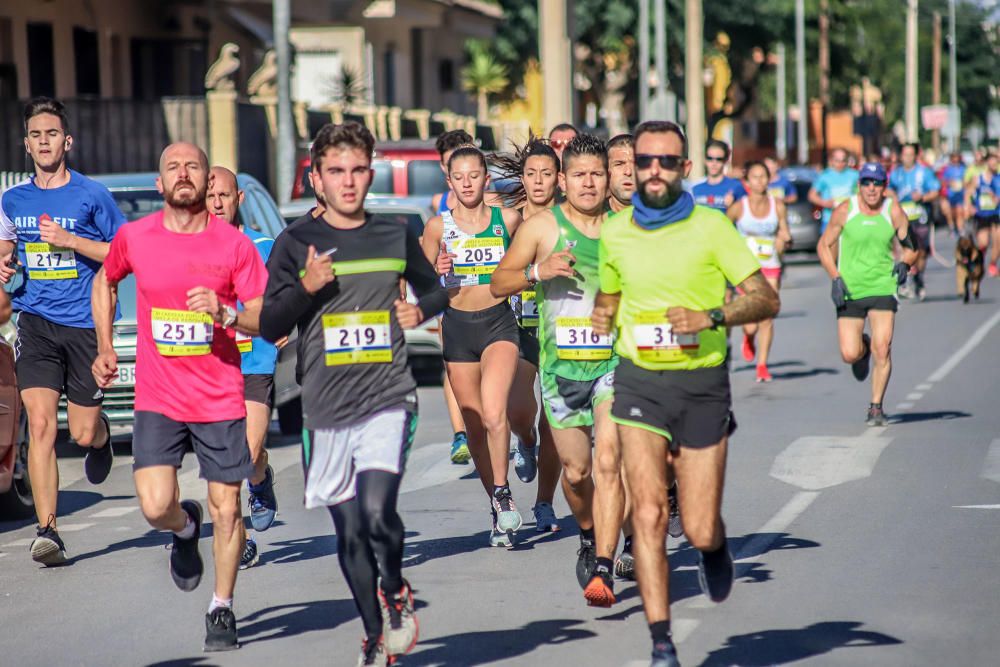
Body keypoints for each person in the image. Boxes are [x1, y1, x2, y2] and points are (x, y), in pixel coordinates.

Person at [592, 120, 780, 667]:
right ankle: (661, 642)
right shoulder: (617, 231)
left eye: (666, 162)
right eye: (644, 160)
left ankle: (714, 546)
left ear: (685, 169)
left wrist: (712, 315)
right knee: (648, 514)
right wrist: (596, 325)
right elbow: (609, 295)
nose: (653, 171)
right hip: (638, 382)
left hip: (701, 384)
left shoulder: (713, 227)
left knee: (696, 524)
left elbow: (764, 299)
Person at [259, 122, 447, 666]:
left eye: (358, 170)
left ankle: (394, 586)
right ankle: (374, 632)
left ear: (370, 171)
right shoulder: (295, 243)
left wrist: (422, 308)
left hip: (387, 396)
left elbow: (437, 286)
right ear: (316, 178)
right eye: (335, 171)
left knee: (378, 514)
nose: (348, 181)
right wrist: (307, 287)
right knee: (348, 536)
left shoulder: (392, 234)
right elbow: (270, 322)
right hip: (324, 408)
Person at [91, 142, 267, 651]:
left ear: (209, 179)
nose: (183, 174)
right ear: (160, 183)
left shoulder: (233, 246)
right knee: (154, 506)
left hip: (219, 394)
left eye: (193, 166)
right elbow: (105, 280)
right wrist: (104, 344)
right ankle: (185, 526)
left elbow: (263, 314)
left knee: (229, 509)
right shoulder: (136, 237)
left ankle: (222, 607)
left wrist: (227, 312)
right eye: (173, 167)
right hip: (159, 396)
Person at [493, 134, 628, 607]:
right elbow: (498, 282)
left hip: (613, 365)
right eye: (579, 175)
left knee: (610, 462)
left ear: (607, 178)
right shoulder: (541, 228)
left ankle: (606, 564)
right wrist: (538, 271)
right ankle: (590, 535)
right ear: (564, 181)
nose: (589, 183)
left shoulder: (624, 228)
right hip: (559, 370)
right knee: (576, 472)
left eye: (597, 173)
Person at [0, 97, 124, 565]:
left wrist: (71, 241)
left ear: (66, 141)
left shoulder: (93, 196)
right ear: (26, 144)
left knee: (83, 431)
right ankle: (47, 530)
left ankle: (102, 435)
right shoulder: (13, 199)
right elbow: (5, 248)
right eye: (36, 135)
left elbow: (121, 254)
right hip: (35, 322)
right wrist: (4, 263)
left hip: (84, 323)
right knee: (44, 426)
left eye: (52, 133)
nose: (44, 142)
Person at [421, 146, 525, 547]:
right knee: (477, 426)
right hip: (458, 330)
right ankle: (498, 508)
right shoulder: (437, 227)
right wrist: (437, 272)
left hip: (499, 324)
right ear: (449, 182)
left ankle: (502, 489)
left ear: (486, 179)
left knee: (496, 414)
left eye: (474, 176)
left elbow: (531, 256)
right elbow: (418, 286)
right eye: (458, 177)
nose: (467, 184)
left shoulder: (508, 220)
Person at [206, 167, 280, 570]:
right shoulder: (190, 249)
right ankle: (242, 538)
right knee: (224, 459)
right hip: (210, 366)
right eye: (210, 195)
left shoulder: (263, 246)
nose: (217, 203)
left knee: (249, 453)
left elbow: (283, 297)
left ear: (239, 199)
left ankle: (260, 477)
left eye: (224, 195)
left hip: (255, 361)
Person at [490, 136, 565, 533]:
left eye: (546, 174)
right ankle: (527, 441)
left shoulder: (567, 220)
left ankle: (545, 502)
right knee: (520, 411)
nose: (538, 181)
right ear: (522, 176)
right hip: (516, 327)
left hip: (559, 331)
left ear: (559, 179)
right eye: (531, 173)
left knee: (555, 420)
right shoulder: (508, 220)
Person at [816, 162, 917, 427]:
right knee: (849, 353)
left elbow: (911, 247)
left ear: (885, 187)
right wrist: (835, 278)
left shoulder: (892, 211)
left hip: (883, 287)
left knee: (882, 348)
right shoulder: (844, 210)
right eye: (866, 183)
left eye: (877, 183)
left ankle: (876, 407)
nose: (871, 189)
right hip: (850, 288)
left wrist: (905, 262)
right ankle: (862, 349)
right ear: (859, 185)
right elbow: (824, 246)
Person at [430, 129, 476, 464]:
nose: (458, 175)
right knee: (453, 364)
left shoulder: (493, 206)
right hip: (451, 300)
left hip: (491, 302)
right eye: (450, 168)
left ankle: (488, 424)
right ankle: (460, 433)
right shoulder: (437, 206)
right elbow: (426, 255)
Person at [727, 161, 792, 382]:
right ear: (747, 181)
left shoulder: (778, 205)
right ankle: (748, 337)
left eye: (763, 176)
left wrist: (785, 239)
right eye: (754, 177)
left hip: (771, 265)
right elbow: (724, 231)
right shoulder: (739, 206)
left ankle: (762, 365)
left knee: (767, 315)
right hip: (747, 269)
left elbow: (784, 231)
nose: (759, 181)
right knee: (750, 323)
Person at [888, 143, 939, 301]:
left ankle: (919, 277)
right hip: (903, 219)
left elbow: (935, 191)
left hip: (921, 216)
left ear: (916, 156)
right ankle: (905, 280)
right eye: (905, 154)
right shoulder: (896, 174)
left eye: (910, 154)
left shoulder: (924, 172)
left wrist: (923, 197)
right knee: (905, 250)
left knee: (921, 252)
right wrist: (893, 197)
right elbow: (888, 189)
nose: (907, 157)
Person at [964, 151, 999, 276]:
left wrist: (994, 197)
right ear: (987, 162)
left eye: (996, 162)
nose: (994, 164)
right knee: (983, 242)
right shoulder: (978, 178)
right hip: (981, 214)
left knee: (998, 240)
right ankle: (978, 259)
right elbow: (968, 193)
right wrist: (969, 207)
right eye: (992, 161)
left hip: (996, 213)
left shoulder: (998, 179)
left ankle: (993, 264)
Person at [809, 147, 859, 232]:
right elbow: (811, 195)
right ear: (831, 160)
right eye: (837, 160)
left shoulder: (854, 174)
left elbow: (861, 193)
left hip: (850, 218)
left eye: (843, 160)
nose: (840, 163)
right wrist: (824, 203)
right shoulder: (825, 176)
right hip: (829, 219)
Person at [690, 139, 745, 213]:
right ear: (705, 160)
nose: (714, 163)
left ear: (726, 160)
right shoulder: (695, 190)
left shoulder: (737, 187)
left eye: (719, 159)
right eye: (710, 158)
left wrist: (733, 207)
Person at [940, 152, 967, 236]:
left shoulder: (963, 168)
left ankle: (960, 229)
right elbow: (943, 181)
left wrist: (964, 183)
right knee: (951, 212)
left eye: (957, 158)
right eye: (953, 158)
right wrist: (949, 183)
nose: (955, 160)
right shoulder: (948, 169)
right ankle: (952, 226)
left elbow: (967, 180)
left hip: (960, 194)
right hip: (951, 195)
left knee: (959, 211)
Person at [607, 134, 636, 213]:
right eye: (619, 164)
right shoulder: (593, 218)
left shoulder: (664, 217)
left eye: (635, 164)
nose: (628, 172)